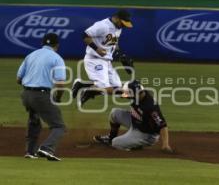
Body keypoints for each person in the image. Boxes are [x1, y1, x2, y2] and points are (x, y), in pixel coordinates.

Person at [17, 33, 66, 161]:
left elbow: (18, 78)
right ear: (57, 45)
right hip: (40, 95)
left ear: (42, 43)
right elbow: (60, 83)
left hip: (26, 95)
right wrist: (58, 97)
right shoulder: (56, 58)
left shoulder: (31, 55)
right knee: (59, 126)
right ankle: (46, 148)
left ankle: (30, 151)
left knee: (34, 121)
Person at [72, 9, 133, 105]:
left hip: (107, 62)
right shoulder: (103, 25)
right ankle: (88, 91)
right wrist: (96, 49)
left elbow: (114, 43)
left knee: (117, 89)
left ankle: (82, 85)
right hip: (94, 60)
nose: (124, 26)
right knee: (108, 90)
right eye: (123, 23)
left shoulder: (119, 28)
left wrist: (121, 55)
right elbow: (85, 35)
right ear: (117, 18)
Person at [93, 80, 173, 152]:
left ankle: (136, 145)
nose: (126, 95)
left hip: (146, 134)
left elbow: (163, 125)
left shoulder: (150, 106)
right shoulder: (138, 93)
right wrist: (97, 90)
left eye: (127, 93)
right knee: (115, 113)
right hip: (136, 123)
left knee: (116, 143)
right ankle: (110, 138)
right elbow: (116, 91)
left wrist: (165, 145)